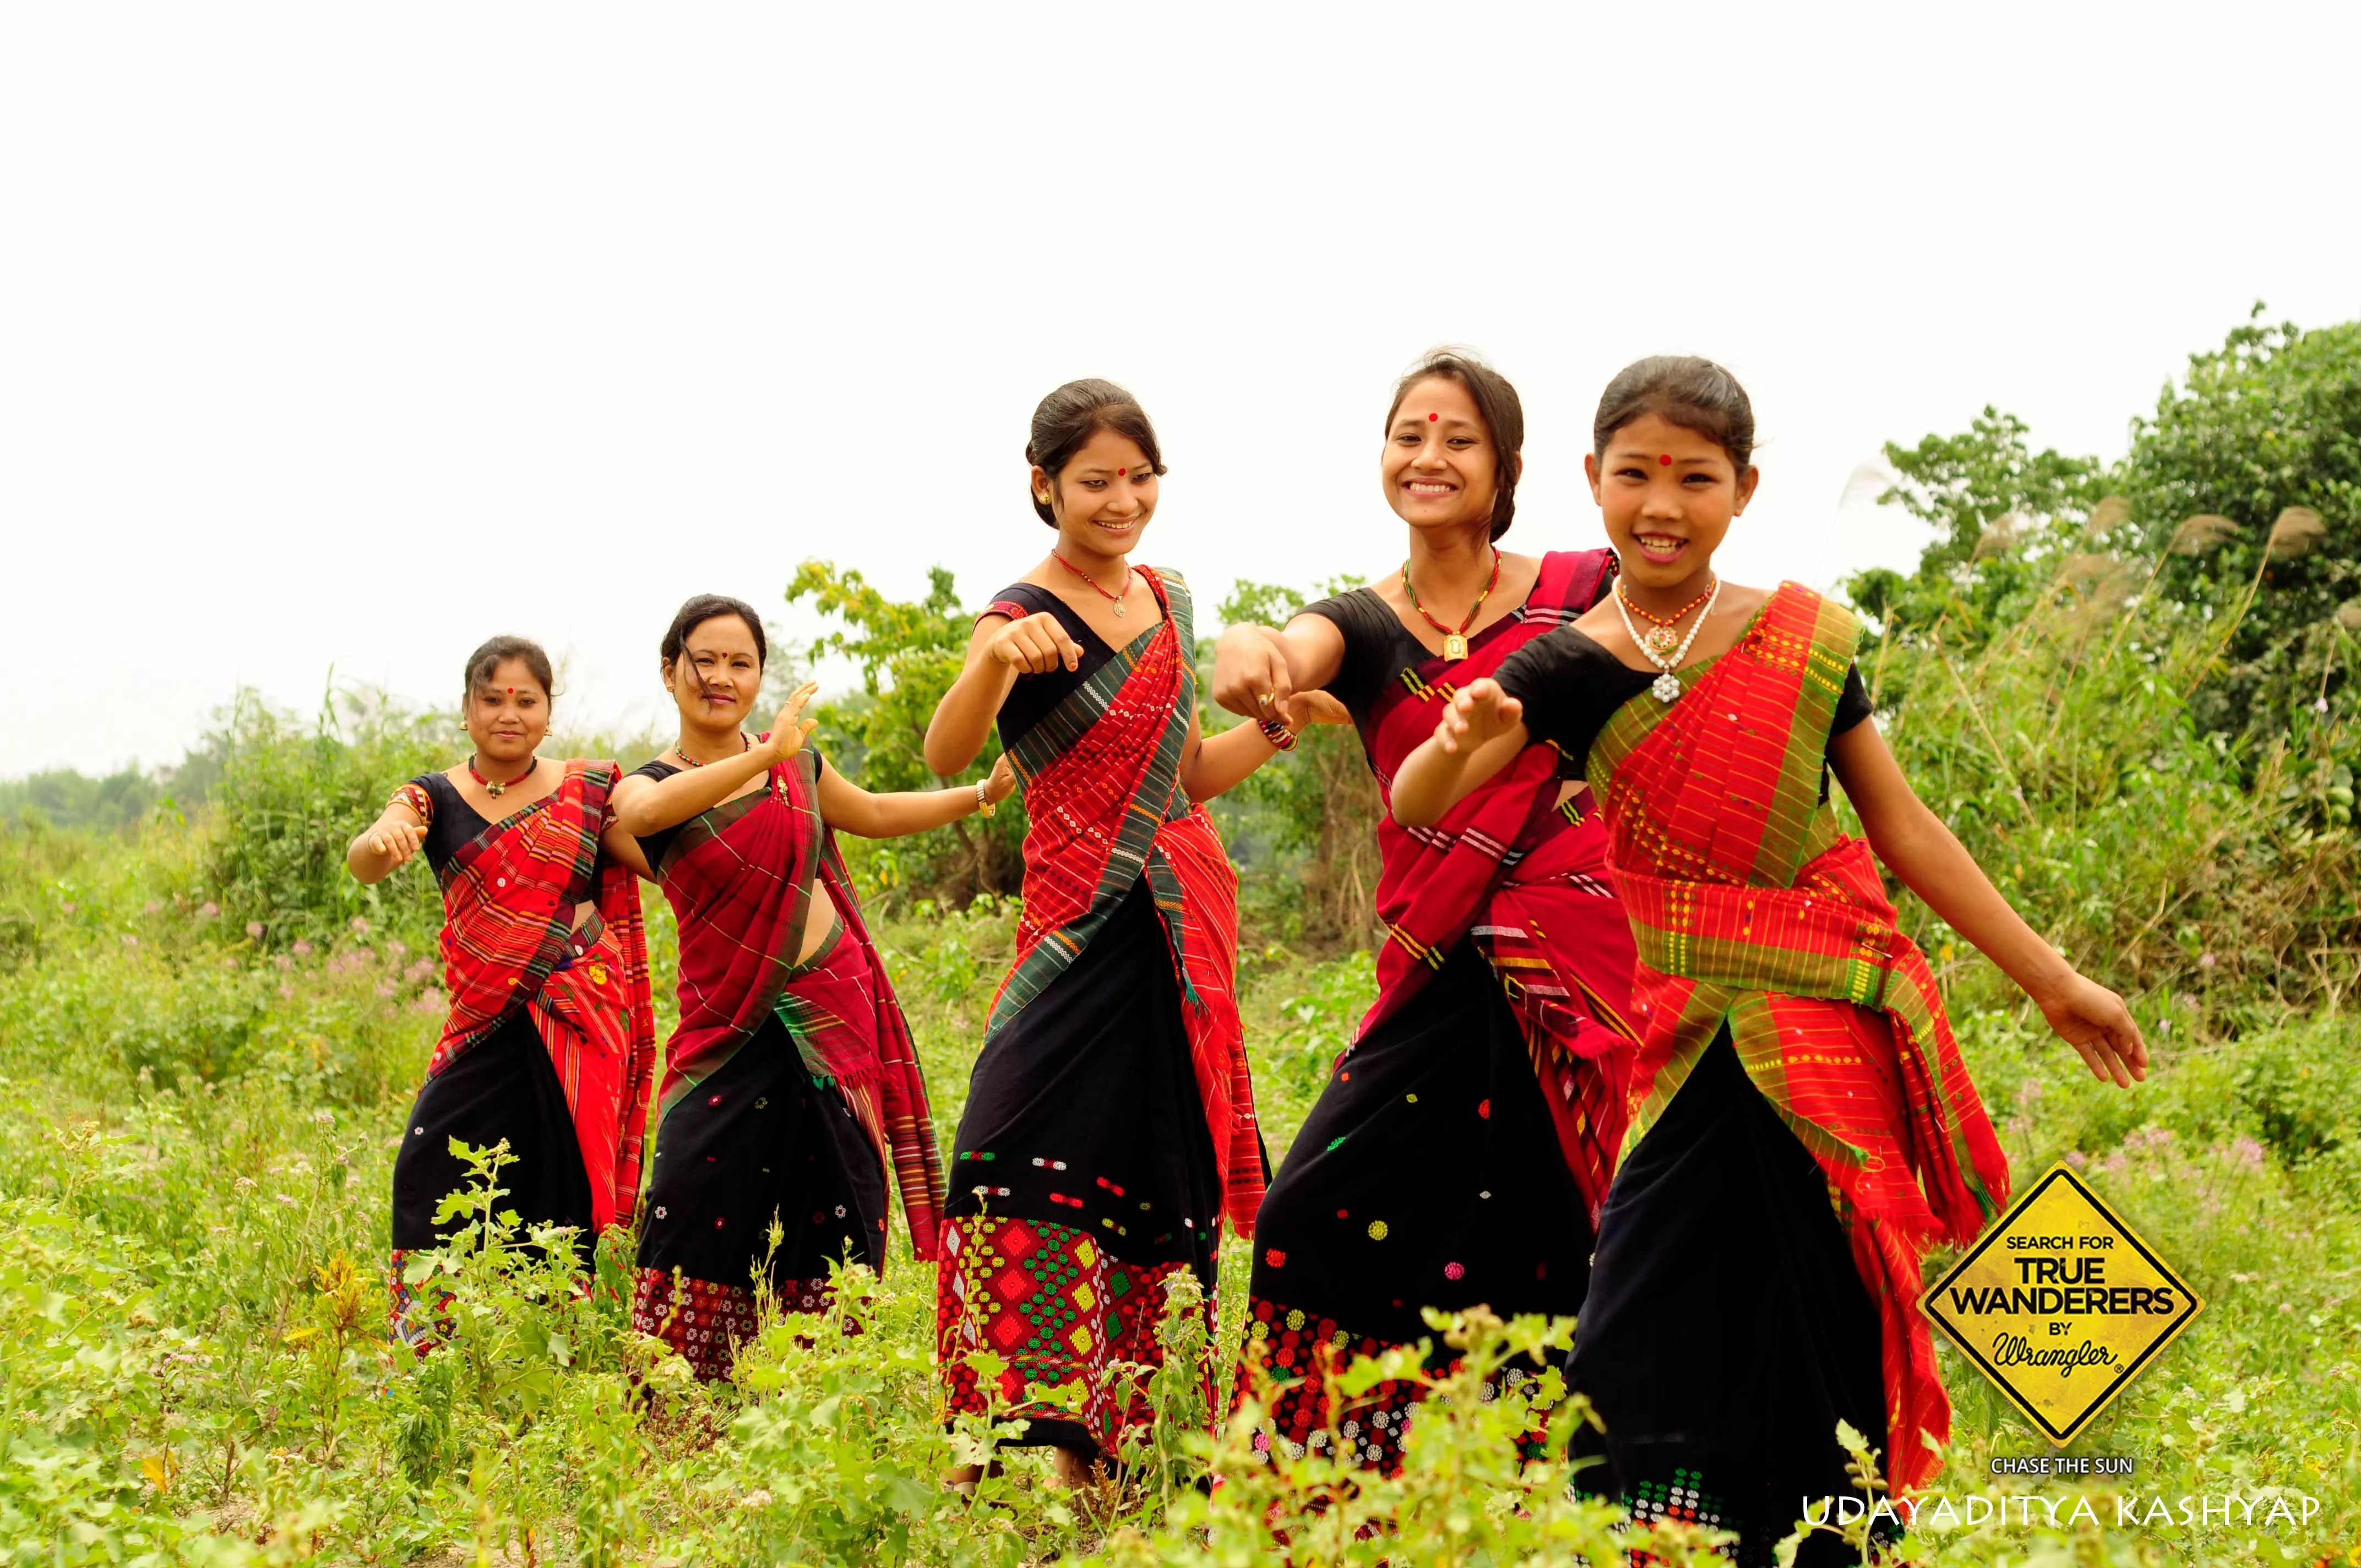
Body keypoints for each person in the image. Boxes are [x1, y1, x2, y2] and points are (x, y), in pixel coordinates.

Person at [1391, 356, 2149, 1564]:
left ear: (1742, 489)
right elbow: (1419, 794)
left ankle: (1828, 1547)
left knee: (1819, 1315)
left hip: (1818, 1031)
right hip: (1684, 1037)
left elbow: (1901, 828)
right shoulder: (1567, 661)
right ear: (1591, 480)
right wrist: (1455, 734)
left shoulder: (1802, 637)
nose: (1660, 502)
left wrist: (2051, 978)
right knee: (1628, 1336)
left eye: (1693, 477)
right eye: (1633, 473)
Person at [1208, 347, 1640, 1472]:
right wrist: (1246, 654)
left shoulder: (1578, 589)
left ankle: (1543, 1484)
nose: (1429, 457)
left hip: (1568, 958)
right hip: (1432, 966)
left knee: (1546, 1234)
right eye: (1409, 436)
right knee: (1308, 1218)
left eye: (1458, 439)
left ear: (1503, 467)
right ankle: (1327, 1485)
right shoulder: (1358, 622)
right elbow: (1268, 650)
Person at [924, 379, 1334, 1487]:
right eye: (1095, 480)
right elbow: (945, 754)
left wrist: (1267, 729)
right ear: (1042, 484)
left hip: (1173, 932)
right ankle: (1006, 1429)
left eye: (1139, 478)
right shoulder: (1016, 612)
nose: (1121, 500)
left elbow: (1186, 774)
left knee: (1157, 1168)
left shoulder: (1167, 599)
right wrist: (992, 664)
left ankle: (1126, 1446)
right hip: (1071, 926)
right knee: (1004, 1150)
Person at [603, 594, 1016, 1381]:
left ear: (760, 678)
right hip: (725, 1028)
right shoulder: (649, 787)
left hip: (833, 1012)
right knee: (692, 1198)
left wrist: (981, 795)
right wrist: (762, 756)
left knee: (837, 1201)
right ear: (669, 671)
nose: (723, 677)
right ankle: (677, 1398)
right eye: (706, 660)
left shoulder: (799, 764)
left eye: (742, 663)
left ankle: (824, 1390)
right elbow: (647, 811)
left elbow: (876, 812)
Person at [347, 635, 656, 1342]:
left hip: (576, 1020)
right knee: (427, 1172)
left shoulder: (587, 792)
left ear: (549, 714)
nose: (508, 713)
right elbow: (370, 852)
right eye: (492, 699)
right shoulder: (434, 795)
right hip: (482, 1024)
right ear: (466, 710)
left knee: (567, 1186)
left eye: (526, 700)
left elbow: (656, 858)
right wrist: (384, 840)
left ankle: (566, 1348)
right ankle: (428, 1347)